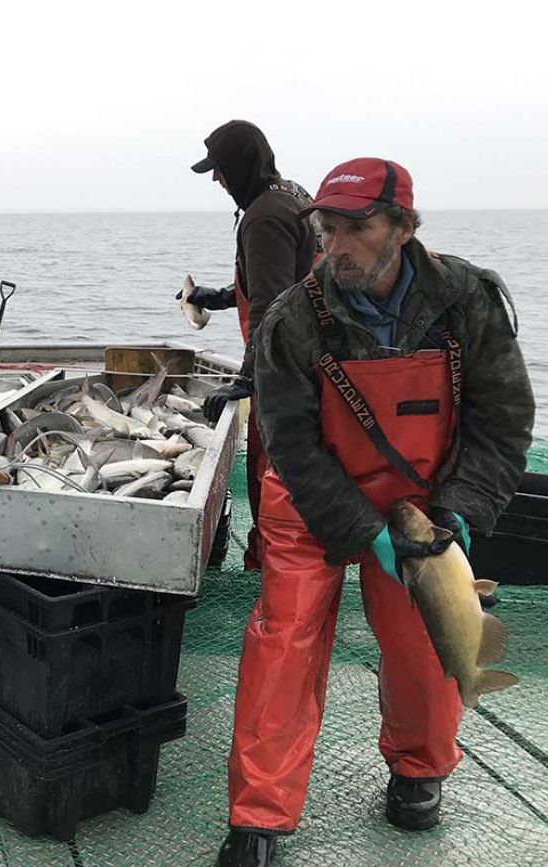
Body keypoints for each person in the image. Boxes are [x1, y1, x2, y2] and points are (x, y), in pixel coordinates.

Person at [217, 157, 534, 866]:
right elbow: (292, 444)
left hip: (420, 501)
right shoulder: (293, 316)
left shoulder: (468, 302)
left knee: (425, 638)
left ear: (404, 227)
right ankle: (259, 816)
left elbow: (502, 423)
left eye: (358, 227)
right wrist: (362, 531)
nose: (338, 245)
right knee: (284, 637)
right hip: (311, 498)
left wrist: (459, 513)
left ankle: (419, 770)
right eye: (329, 227)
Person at [181, 120, 318, 571]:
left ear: (241, 165)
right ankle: (281, 560)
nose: (218, 180)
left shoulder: (264, 216)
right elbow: (284, 279)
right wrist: (217, 298)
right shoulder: (290, 195)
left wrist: (245, 379)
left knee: (272, 480)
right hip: (307, 361)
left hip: (285, 372)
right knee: (292, 482)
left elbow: (272, 304)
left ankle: (269, 569)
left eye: (219, 170)